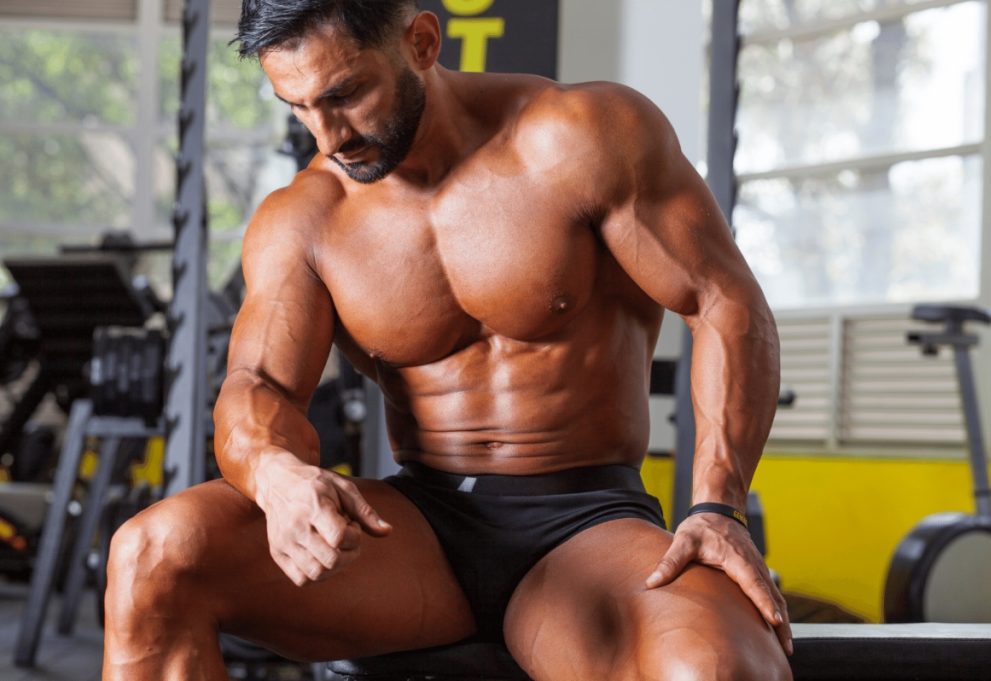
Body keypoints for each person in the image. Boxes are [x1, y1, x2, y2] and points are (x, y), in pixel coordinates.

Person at [102, 2, 793, 679]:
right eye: (298, 106)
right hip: (415, 538)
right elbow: (259, 387)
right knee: (152, 555)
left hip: (587, 524)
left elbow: (724, 300)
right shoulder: (307, 218)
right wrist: (275, 475)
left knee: (718, 666)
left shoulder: (581, 137)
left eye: (345, 94)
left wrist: (716, 504)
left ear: (422, 42)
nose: (328, 135)